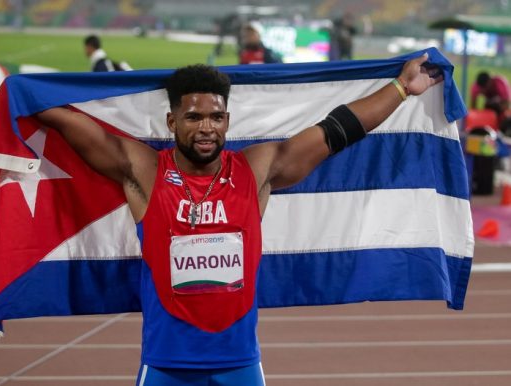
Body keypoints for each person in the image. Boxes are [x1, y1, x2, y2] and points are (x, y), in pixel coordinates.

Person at [35, 53, 441, 386]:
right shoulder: (144, 170)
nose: (206, 127)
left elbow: (335, 131)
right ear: (172, 123)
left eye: (216, 117)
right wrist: (21, 93)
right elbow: (73, 126)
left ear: (228, 121)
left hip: (240, 364)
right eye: (194, 118)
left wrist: (403, 88)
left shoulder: (256, 168)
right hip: (166, 364)